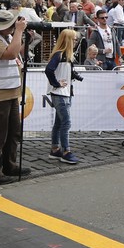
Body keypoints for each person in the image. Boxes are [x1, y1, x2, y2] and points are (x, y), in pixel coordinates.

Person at [0, 8, 30, 185]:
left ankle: (9, 165)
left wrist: (27, 38)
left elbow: (17, 52)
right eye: (12, 25)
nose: (14, 27)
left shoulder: (7, 37)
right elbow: (9, 54)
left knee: (13, 132)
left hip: (11, 91)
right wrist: (19, 31)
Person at [44, 28, 81, 164]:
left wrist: (74, 76)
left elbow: (59, 71)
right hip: (60, 93)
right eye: (74, 40)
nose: (76, 42)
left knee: (59, 122)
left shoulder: (64, 55)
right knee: (66, 122)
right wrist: (56, 83)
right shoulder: (59, 55)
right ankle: (66, 151)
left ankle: (55, 149)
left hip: (63, 92)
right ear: (68, 40)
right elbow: (48, 70)